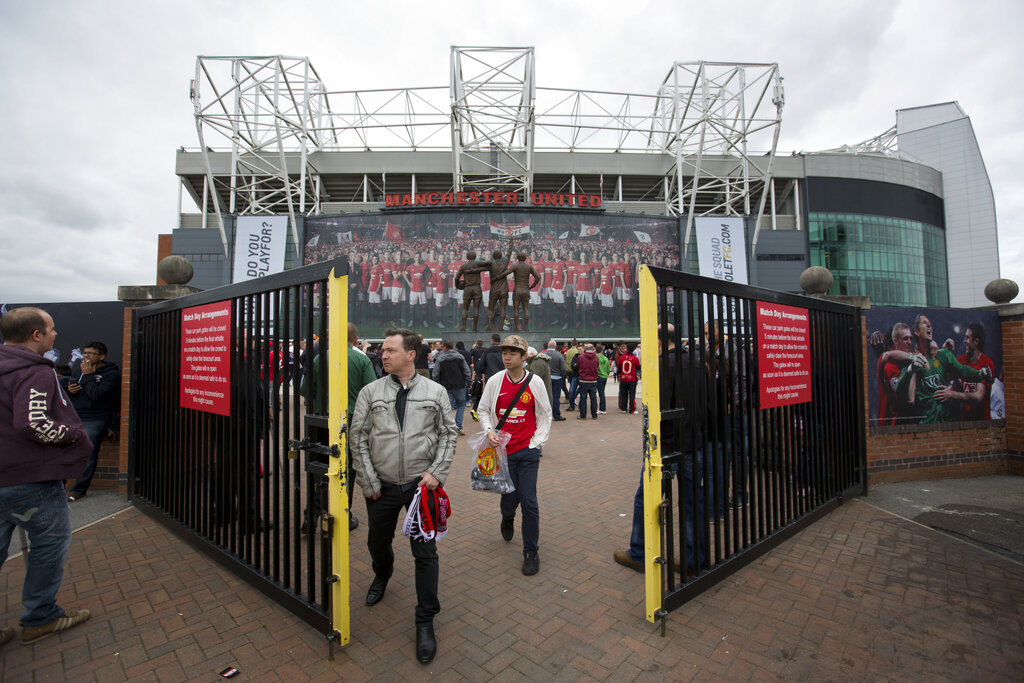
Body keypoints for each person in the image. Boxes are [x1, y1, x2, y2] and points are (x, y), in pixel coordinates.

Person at [349, 327, 457, 664]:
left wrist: (436, 474)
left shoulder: (435, 391)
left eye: (391, 350)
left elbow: (448, 435)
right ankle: (383, 574)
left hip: (419, 487)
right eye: (383, 349)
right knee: (377, 544)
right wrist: (369, 481)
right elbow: (358, 438)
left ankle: (425, 620)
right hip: (380, 488)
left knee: (425, 555)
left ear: (411, 354)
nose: (384, 354)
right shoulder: (371, 392)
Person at [0, 307, 93, 646]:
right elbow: (32, 422)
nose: (55, 335)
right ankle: (41, 617)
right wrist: (74, 436)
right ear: (36, 335)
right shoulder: (34, 371)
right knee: (49, 545)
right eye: (51, 330)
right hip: (29, 479)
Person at [614, 323, 708, 576]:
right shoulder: (698, 362)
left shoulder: (662, 365)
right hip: (694, 441)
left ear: (658, 341)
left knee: (647, 499)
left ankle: (640, 552)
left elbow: (660, 409)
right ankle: (694, 558)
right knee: (691, 502)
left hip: (666, 445)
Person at [477, 335, 552, 576]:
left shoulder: (535, 382)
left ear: (524, 356)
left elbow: (545, 414)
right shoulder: (496, 381)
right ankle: (507, 516)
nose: (506, 357)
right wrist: (489, 431)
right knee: (510, 499)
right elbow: (483, 409)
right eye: (504, 352)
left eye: (512, 353)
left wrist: (536, 443)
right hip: (503, 452)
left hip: (528, 452)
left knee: (529, 502)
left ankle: (531, 551)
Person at [65, 341, 120, 501]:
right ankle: (61, 486)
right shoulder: (78, 371)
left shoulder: (111, 374)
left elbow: (97, 395)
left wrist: (88, 376)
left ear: (101, 356)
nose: (86, 356)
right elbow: (73, 391)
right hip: (76, 415)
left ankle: (79, 489)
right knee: (65, 449)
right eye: (85, 353)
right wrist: (71, 390)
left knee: (88, 451)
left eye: (91, 353)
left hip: (96, 418)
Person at [432, 339, 471, 435]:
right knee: (461, 405)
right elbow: (467, 371)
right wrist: (469, 382)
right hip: (460, 384)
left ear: (444, 347)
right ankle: (458, 426)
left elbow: (435, 374)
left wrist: (436, 384)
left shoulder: (440, 358)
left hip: (445, 385)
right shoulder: (460, 357)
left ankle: (449, 427)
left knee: (448, 407)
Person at [571, 343, 600, 420]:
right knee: (593, 398)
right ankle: (594, 415)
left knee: (583, 398)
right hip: (593, 380)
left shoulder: (580, 357)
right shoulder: (596, 358)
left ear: (585, 350)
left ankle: (583, 415)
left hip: (583, 380)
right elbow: (597, 366)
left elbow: (578, 366)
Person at [543, 340, 567, 421]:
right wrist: (562, 376)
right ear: (555, 346)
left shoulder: (543, 355)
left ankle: (545, 416)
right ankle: (556, 415)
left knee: (545, 397)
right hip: (557, 378)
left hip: (546, 378)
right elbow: (563, 368)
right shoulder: (559, 355)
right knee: (556, 397)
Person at [617, 343, 639, 414]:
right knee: (632, 394)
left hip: (623, 378)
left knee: (623, 394)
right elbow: (638, 367)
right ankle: (632, 409)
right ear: (634, 349)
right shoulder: (635, 358)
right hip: (632, 378)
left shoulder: (622, 357)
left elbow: (619, 368)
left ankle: (624, 408)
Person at [595, 343, 610, 414]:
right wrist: (606, 375)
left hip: (598, 376)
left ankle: (599, 408)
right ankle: (602, 408)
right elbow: (608, 369)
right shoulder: (605, 358)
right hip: (604, 376)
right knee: (602, 393)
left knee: (595, 393)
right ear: (602, 351)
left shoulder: (595, 358)